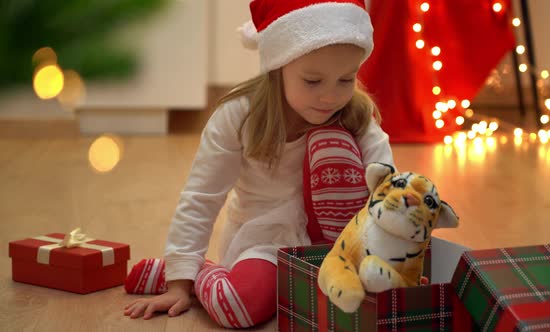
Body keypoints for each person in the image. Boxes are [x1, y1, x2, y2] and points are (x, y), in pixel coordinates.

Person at [123, 0, 394, 328]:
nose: (330, 96)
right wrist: (179, 281)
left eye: (345, 79)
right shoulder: (239, 116)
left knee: (378, 299)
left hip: (339, 244)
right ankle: (198, 272)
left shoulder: (356, 115)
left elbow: (387, 188)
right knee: (239, 307)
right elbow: (201, 197)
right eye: (312, 81)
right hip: (265, 243)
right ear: (278, 66)